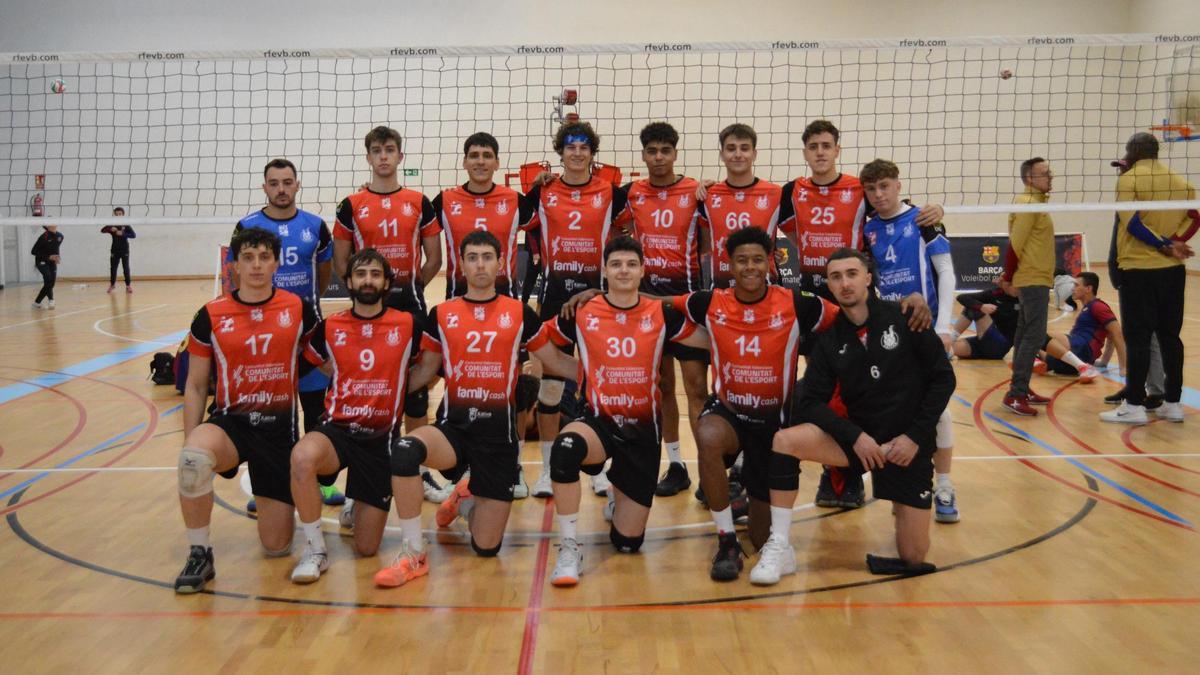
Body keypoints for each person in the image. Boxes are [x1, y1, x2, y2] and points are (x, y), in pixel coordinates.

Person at [374, 230, 578, 587]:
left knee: (486, 547)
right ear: (461, 265)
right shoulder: (442, 314)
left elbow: (557, 362)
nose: (480, 264)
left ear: (501, 263)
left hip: (499, 440)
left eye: (487, 257)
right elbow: (424, 371)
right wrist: (378, 388)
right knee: (404, 451)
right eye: (472, 257)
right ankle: (413, 552)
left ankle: (465, 498)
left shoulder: (519, 314)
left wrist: (605, 374)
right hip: (453, 431)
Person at [753, 248, 955, 585]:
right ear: (829, 286)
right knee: (784, 440)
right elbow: (811, 402)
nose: (844, 283)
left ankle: (903, 504)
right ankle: (781, 545)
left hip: (907, 447)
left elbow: (943, 379)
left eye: (851, 274)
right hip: (860, 444)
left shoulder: (906, 317)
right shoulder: (830, 340)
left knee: (913, 556)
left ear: (868, 278)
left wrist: (915, 437)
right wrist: (855, 437)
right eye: (836, 277)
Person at [778, 120, 944, 511]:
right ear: (805, 152)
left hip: (854, 296)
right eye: (813, 146)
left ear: (837, 150)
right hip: (814, 294)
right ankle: (831, 471)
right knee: (820, 389)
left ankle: (851, 476)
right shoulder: (792, 192)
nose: (819, 152)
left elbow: (897, 210)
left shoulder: (858, 189)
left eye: (826, 145)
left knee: (855, 388)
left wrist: (933, 210)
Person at [536, 235, 707, 586]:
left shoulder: (661, 314)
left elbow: (710, 340)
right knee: (566, 450)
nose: (624, 270)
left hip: (642, 434)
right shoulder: (583, 311)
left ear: (643, 270)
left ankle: (618, 493)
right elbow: (543, 343)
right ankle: (569, 546)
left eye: (631, 264)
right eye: (616, 264)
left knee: (628, 543)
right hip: (597, 423)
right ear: (604, 271)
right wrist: (583, 374)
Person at [678, 226, 839, 581]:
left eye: (756, 259)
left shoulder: (797, 303)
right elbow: (654, 304)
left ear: (770, 262)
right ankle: (726, 541)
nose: (749, 267)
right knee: (707, 436)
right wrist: (599, 295)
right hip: (730, 414)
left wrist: (904, 308)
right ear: (729, 265)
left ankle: (751, 499)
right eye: (741, 261)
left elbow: (849, 316)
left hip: (774, 422)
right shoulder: (709, 302)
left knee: (764, 538)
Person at [174, 228, 317, 594]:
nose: (256, 265)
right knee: (193, 460)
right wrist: (191, 439)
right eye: (248, 258)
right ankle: (199, 552)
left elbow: (324, 362)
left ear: (275, 263)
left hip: (278, 431)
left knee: (277, 547)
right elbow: (194, 384)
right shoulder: (211, 314)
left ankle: (280, 507)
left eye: (264, 257)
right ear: (234, 265)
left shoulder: (297, 308)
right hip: (231, 424)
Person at [286, 249, 418, 583]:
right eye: (361, 274)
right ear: (348, 281)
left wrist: (398, 385)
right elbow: (310, 359)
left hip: (379, 439)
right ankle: (315, 549)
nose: (368, 280)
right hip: (338, 429)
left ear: (386, 282)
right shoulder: (331, 326)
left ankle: (355, 504)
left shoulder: (406, 323)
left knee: (367, 548)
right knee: (302, 457)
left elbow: (429, 364)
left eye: (375, 274)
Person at [523, 120, 628, 499]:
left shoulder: (611, 193)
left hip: (599, 295)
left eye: (584, 147)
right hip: (554, 294)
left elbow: (647, 208)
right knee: (551, 385)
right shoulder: (543, 192)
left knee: (602, 382)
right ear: (561, 152)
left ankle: (599, 467)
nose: (578, 153)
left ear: (592, 153)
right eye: (571, 147)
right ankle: (549, 470)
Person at [432, 132, 538, 498]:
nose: (480, 161)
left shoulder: (515, 200)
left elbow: (556, 213)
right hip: (456, 305)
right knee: (456, 381)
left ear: (496, 162)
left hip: (504, 305)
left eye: (487, 155)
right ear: (465, 161)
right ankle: (458, 466)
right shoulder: (444, 201)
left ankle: (515, 462)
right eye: (474, 155)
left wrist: (545, 183)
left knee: (514, 387)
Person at [236, 158, 343, 512]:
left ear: (297, 185)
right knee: (270, 416)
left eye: (287, 182)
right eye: (273, 183)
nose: (281, 189)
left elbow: (325, 273)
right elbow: (236, 280)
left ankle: (320, 483)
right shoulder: (247, 226)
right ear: (264, 187)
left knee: (316, 412)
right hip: (264, 336)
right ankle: (270, 486)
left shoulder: (315, 225)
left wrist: (306, 307)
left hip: (308, 333)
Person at [859, 158, 960, 523]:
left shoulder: (923, 221)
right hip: (889, 333)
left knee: (939, 411)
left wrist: (944, 326)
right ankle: (904, 487)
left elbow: (947, 273)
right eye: (871, 189)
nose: (878, 194)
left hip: (925, 327)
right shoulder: (868, 228)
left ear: (898, 185)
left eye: (884, 186)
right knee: (894, 407)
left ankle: (945, 485)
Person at [615, 122, 708, 497]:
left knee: (697, 387)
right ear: (643, 155)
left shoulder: (695, 192)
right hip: (647, 300)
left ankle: (710, 469)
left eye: (665, 151)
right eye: (651, 151)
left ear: (674, 153)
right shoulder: (632, 193)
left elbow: (707, 240)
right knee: (662, 386)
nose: (658, 158)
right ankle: (676, 464)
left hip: (686, 299)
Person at [333, 126, 441, 434]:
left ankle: (415, 467)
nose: (383, 156)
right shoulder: (351, 205)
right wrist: (362, 293)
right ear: (368, 157)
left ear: (400, 156)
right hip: (367, 309)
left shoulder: (419, 202)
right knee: (375, 384)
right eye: (377, 151)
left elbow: (434, 258)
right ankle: (381, 456)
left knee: (416, 392)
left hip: (410, 305)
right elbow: (341, 260)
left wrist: (414, 285)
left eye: (389, 150)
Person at [1100, 133, 1197, 424]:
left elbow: (1132, 223)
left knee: (1138, 338)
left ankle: (1133, 406)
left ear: (1133, 152)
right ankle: (1173, 403)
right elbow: (1195, 216)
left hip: (1138, 268)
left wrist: (1164, 244)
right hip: (1171, 271)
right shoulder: (1181, 182)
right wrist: (1176, 242)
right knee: (1170, 336)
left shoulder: (1128, 181)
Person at [696, 123, 783, 290]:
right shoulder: (707, 195)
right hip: (722, 289)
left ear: (754, 154)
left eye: (744, 148)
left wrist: (774, 250)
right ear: (722, 154)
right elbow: (706, 245)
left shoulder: (777, 194)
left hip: (766, 288)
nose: (737, 154)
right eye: (731, 148)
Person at [1001, 157, 1056, 416]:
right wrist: (1008, 277)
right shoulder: (1028, 204)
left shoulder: (1037, 204)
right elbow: (1015, 244)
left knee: (1024, 335)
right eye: (1045, 173)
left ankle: (1021, 387)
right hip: (1031, 279)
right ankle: (1016, 394)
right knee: (1033, 335)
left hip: (1037, 278)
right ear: (1030, 179)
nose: (1050, 176)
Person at [1036, 272, 1121, 382]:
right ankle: (1042, 361)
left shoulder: (1098, 306)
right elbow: (1111, 336)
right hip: (1070, 362)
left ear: (1088, 289)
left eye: (1076, 285)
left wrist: (1123, 366)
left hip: (1081, 350)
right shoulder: (1089, 307)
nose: (1072, 289)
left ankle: (1036, 360)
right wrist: (1104, 362)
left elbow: (1116, 333)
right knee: (1039, 342)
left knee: (1037, 336)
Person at [951, 279, 1020, 361]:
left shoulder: (1025, 299)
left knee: (974, 308)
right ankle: (947, 343)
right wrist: (982, 306)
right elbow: (961, 297)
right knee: (945, 348)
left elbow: (1032, 328)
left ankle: (951, 337)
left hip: (1000, 346)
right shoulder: (994, 293)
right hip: (984, 343)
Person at [101, 207, 135, 293]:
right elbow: (102, 230)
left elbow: (133, 235)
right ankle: (112, 285)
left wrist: (123, 233)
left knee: (126, 268)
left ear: (123, 215)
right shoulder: (112, 224)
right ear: (114, 215)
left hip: (124, 249)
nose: (118, 215)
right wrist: (110, 229)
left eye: (120, 214)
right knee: (113, 268)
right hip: (114, 250)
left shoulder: (126, 225)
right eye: (116, 214)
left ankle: (128, 286)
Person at [30, 224, 63, 310]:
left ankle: (37, 303)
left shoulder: (60, 236)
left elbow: (56, 247)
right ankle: (51, 300)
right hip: (41, 261)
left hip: (51, 262)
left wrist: (57, 257)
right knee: (48, 277)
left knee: (51, 283)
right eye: (51, 222)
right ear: (47, 226)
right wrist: (48, 257)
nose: (54, 223)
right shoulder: (43, 237)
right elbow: (33, 251)